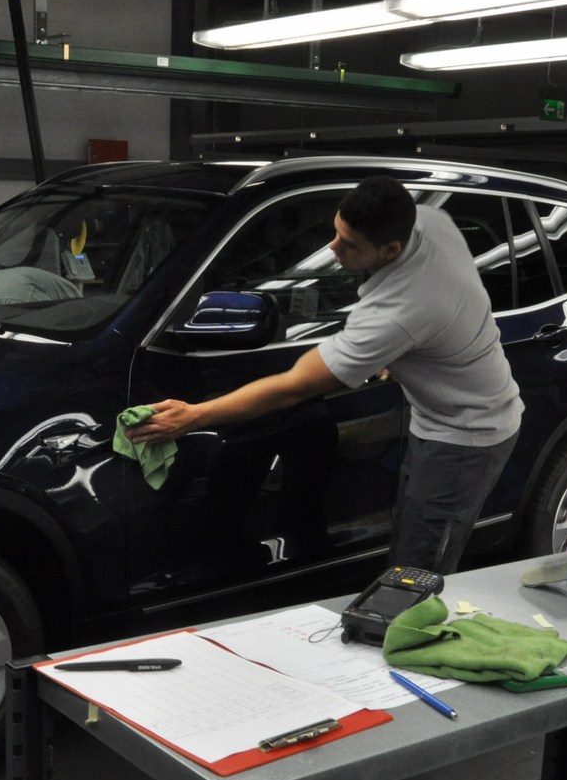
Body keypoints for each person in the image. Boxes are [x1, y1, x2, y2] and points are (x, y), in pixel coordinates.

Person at [125, 175, 522, 574]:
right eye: (336, 232)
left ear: (391, 249)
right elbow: (451, 301)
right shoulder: (427, 221)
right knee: (411, 532)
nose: (333, 248)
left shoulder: (401, 310)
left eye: (350, 244)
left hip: (467, 433)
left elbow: (292, 388)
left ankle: (412, 607)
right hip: (438, 413)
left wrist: (193, 416)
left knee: (419, 568)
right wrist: (413, 346)